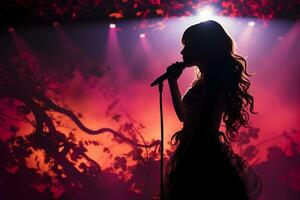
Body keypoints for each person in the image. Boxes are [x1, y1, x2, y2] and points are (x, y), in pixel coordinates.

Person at [164, 20, 261, 200]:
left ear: (203, 48)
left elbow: (205, 127)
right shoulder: (205, 81)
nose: (182, 52)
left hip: (201, 156)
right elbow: (184, 117)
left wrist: (187, 159)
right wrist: (172, 82)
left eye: (188, 46)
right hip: (196, 150)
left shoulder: (214, 83)